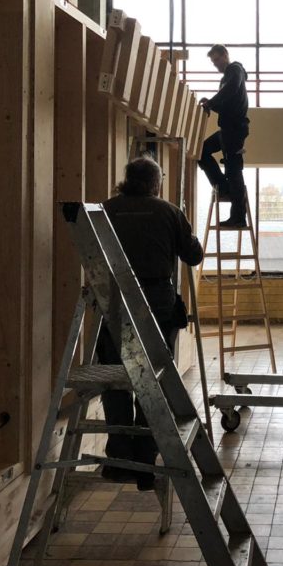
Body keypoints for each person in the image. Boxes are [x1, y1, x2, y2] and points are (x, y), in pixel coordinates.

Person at [98, 156, 203, 488]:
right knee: (152, 379)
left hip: (114, 303)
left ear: (127, 179)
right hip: (156, 303)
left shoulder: (106, 210)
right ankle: (144, 458)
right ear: (156, 183)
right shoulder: (169, 212)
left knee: (115, 378)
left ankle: (118, 459)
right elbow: (194, 255)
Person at [198, 45, 250, 228]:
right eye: (213, 62)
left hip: (235, 128)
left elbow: (230, 90)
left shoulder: (235, 70)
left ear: (225, 55)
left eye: (217, 60)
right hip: (227, 129)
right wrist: (211, 104)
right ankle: (223, 188)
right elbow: (225, 103)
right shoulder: (226, 79)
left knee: (233, 169)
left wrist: (211, 103)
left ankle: (238, 217)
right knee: (202, 151)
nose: (216, 64)